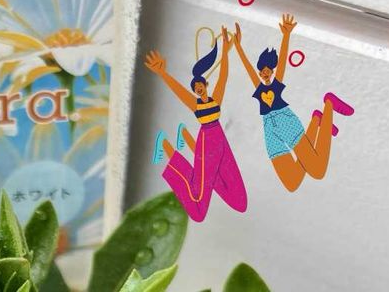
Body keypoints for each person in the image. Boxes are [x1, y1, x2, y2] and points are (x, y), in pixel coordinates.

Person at [232, 14, 354, 192]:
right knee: (291, 183)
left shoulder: (276, 83)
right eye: (261, 71)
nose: (264, 74)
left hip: (285, 122)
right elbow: (248, 68)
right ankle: (316, 121)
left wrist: (286, 35)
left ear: (271, 71)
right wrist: (237, 46)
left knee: (318, 171)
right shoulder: (259, 87)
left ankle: (329, 104)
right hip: (269, 131)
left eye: (267, 70)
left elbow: (282, 63)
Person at [144, 26, 247, 222]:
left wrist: (225, 51)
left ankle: (185, 141)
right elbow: (179, 91)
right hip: (207, 141)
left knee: (239, 201)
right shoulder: (196, 105)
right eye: (195, 88)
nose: (198, 89)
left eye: (200, 86)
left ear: (206, 85)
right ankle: (167, 147)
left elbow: (223, 77)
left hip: (220, 140)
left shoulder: (215, 100)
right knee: (198, 208)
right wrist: (162, 73)